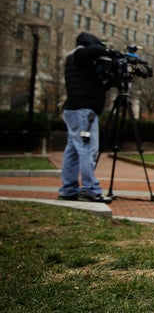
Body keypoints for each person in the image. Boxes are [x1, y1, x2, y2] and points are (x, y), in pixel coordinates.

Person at [58, 32, 115, 203]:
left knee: (73, 151)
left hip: (74, 110)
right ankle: (90, 189)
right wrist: (109, 51)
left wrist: (110, 80)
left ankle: (68, 189)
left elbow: (94, 86)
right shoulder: (80, 54)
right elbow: (89, 52)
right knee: (87, 150)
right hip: (83, 111)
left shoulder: (81, 63)